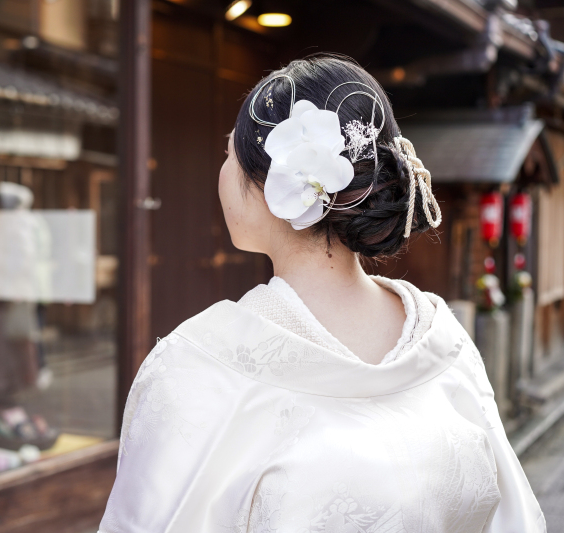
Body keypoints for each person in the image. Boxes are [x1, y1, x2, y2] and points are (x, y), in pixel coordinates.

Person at [98, 55, 545, 532]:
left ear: (275, 186)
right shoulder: (445, 343)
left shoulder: (197, 367)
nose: (223, 170)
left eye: (229, 153)